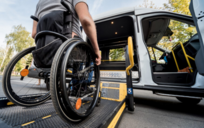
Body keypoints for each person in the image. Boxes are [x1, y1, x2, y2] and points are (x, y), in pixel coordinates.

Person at [32, 0, 101, 65]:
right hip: (70, 44)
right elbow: (86, 21)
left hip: (45, 50)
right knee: (91, 59)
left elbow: (34, 34)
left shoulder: (40, 3)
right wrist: (96, 50)